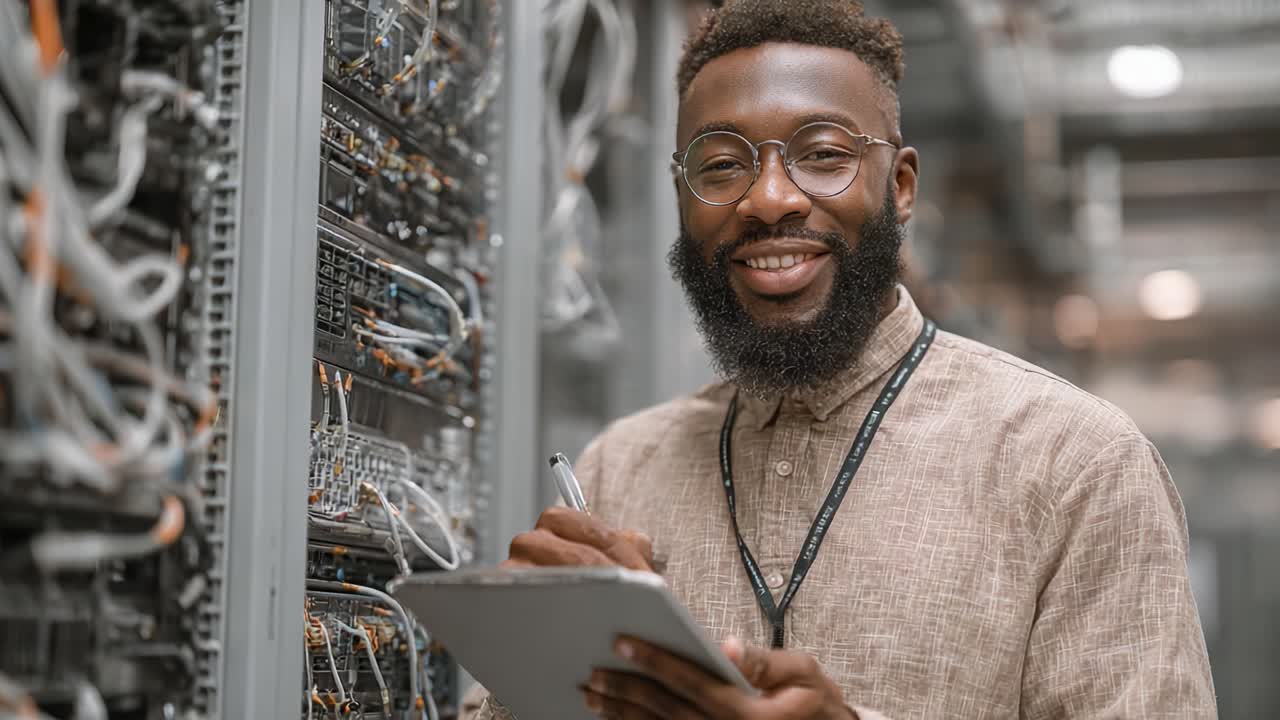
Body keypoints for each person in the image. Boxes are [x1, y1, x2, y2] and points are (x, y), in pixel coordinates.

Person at [468, 1, 1217, 717]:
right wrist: (534, 660)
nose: (767, 199)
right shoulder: (617, 470)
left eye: (823, 155)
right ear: (681, 195)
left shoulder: (1075, 464)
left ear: (899, 187)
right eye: (722, 166)